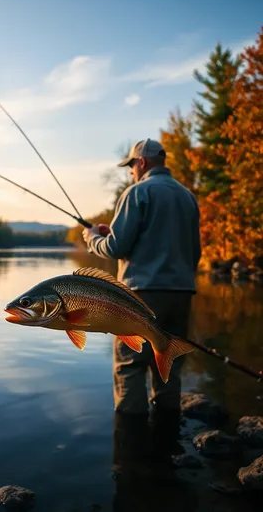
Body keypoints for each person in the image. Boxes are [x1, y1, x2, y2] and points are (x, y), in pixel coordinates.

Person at [82, 138, 201, 416]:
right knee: (168, 363)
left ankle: (130, 444)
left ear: (142, 162)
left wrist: (92, 239)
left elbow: (115, 248)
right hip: (182, 294)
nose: (130, 172)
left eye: (131, 166)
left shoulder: (136, 193)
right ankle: (167, 435)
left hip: (141, 296)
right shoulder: (187, 197)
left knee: (130, 366)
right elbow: (194, 252)